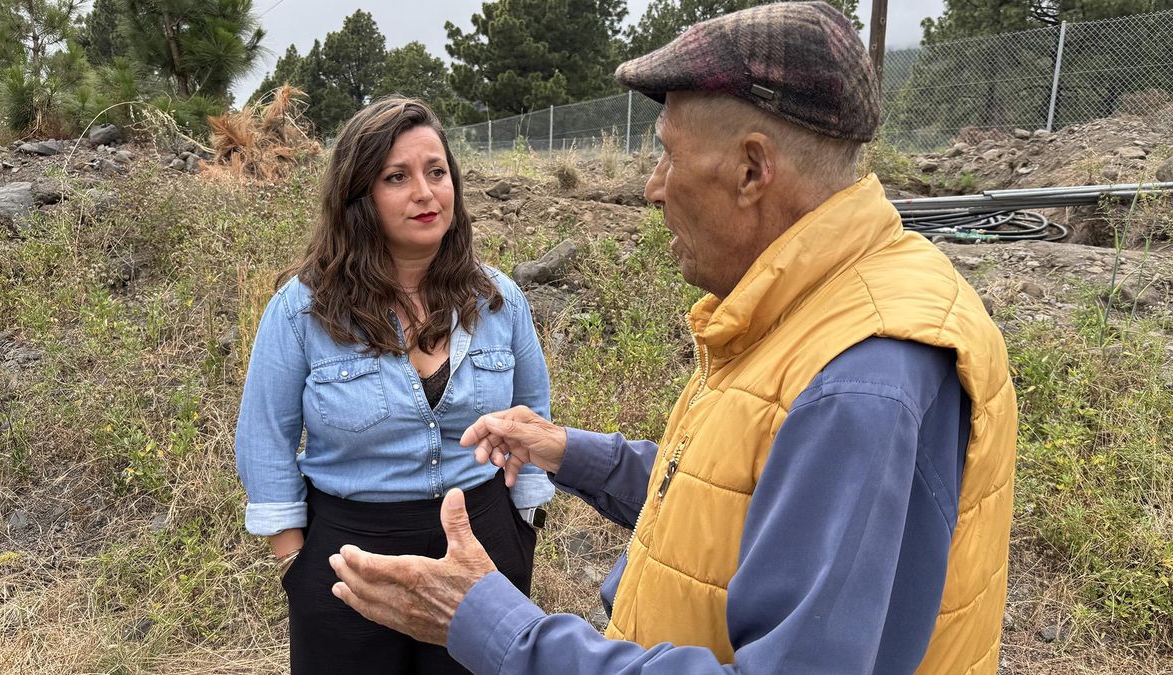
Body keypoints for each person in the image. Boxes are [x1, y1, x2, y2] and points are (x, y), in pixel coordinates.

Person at [327, 4, 1018, 674]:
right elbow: (734, 496)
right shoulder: (806, 308)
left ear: (752, 170)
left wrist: (495, 627)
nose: (653, 188)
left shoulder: (861, 374)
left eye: (666, 154)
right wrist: (568, 451)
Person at [234, 96, 554, 674]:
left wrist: (522, 523)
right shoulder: (302, 310)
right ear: (360, 197)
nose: (425, 193)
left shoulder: (499, 300)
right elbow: (264, 433)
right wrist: (295, 561)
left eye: (437, 172)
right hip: (350, 558)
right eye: (396, 177)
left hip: (482, 548)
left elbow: (533, 415)